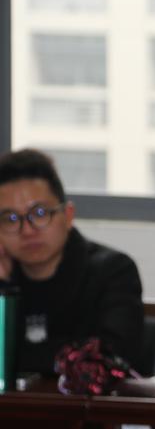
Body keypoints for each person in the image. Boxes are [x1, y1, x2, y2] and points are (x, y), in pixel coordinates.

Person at [0, 148, 144, 373]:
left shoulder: (113, 272)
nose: (27, 230)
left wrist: (19, 354)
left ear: (68, 215)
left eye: (40, 213)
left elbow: (109, 358)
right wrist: (4, 290)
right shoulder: (4, 279)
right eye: (10, 218)